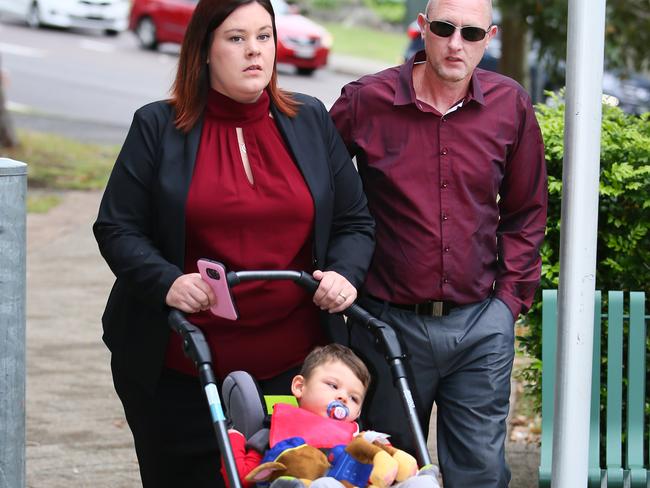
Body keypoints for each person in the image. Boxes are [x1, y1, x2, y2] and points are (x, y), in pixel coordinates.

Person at [92, 0, 375, 485]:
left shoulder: (309, 120)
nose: (254, 52)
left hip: (293, 373)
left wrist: (344, 275)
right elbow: (117, 227)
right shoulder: (158, 127)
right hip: (183, 370)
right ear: (203, 49)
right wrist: (167, 282)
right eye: (236, 38)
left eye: (264, 36)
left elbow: (354, 221)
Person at [329, 0, 547, 486]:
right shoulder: (366, 100)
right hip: (386, 325)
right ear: (423, 28)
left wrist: (507, 302)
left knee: (481, 473)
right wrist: (339, 277)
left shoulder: (510, 104)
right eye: (444, 29)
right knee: (388, 470)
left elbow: (527, 209)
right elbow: (319, 193)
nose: (456, 44)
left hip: (479, 326)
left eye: (470, 34)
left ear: (488, 38)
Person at [225, 344, 440, 487]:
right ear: (300, 387)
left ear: (357, 413)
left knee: (423, 483)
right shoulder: (272, 433)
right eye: (333, 385)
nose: (343, 398)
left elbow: (387, 464)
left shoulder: (359, 440)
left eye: (354, 398)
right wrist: (234, 437)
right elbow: (243, 476)